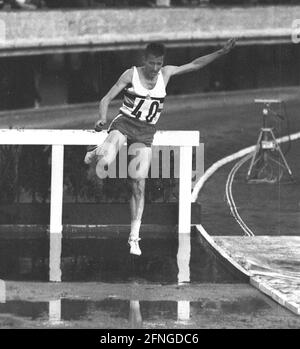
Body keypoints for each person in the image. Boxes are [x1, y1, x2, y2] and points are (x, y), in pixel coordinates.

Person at [84, 39, 236, 255]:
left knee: (139, 185)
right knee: (105, 164)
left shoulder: (166, 73)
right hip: (123, 125)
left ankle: (134, 237)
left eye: (159, 64)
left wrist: (220, 52)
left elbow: (195, 64)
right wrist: (101, 118)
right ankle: (96, 153)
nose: (155, 69)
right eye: (152, 63)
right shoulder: (131, 74)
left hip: (145, 134)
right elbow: (105, 99)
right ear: (144, 60)